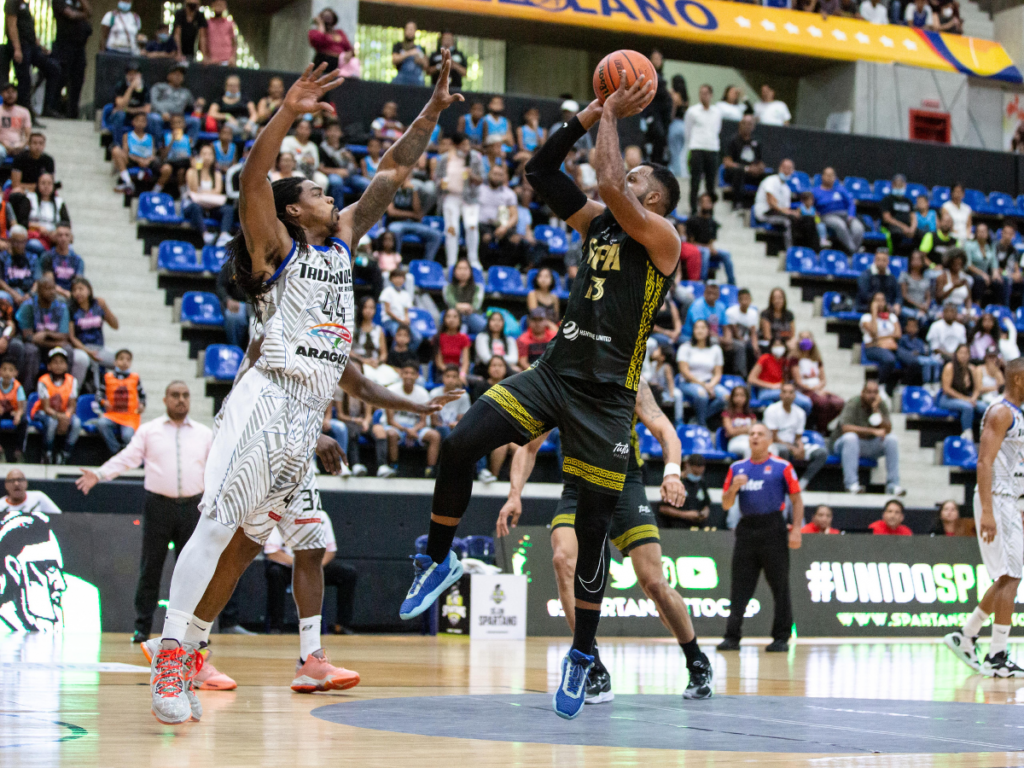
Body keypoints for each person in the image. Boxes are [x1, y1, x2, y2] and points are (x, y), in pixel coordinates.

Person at [134, 58, 464, 725]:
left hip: (305, 418)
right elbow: (253, 179)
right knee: (218, 525)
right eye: (316, 191)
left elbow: (392, 172)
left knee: (248, 544)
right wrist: (287, 111)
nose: (330, 196)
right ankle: (169, 658)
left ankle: (191, 653)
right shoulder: (275, 246)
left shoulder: (340, 245)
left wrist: (431, 114)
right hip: (264, 401)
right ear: (292, 209)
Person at [404, 74, 683, 721]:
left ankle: (583, 655)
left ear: (659, 201)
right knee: (461, 441)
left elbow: (612, 184)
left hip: (608, 399)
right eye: (630, 175)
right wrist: (591, 113)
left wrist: (613, 116)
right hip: (556, 372)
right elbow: (539, 168)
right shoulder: (597, 225)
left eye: (640, 180)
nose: (626, 180)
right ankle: (440, 558)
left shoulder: (662, 241)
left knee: (588, 542)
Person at [497, 377, 711, 700]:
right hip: (579, 486)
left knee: (653, 582)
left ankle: (696, 660)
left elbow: (667, 432)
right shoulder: (563, 379)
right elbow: (528, 446)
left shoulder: (632, 382)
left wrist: (672, 473)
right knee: (562, 559)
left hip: (625, 484)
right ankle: (592, 666)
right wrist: (514, 495)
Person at [944, 359, 1024, 674]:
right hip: (996, 500)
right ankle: (996, 654)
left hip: (1011, 501)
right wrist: (988, 511)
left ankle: (966, 637)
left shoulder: (1017, 415)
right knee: (1011, 575)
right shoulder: (1000, 412)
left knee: (1009, 575)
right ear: (1018, 379)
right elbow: (984, 463)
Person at [718, 423, 802, 652]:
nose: (755, 437)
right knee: (739, 586)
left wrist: (796, 530)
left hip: (773, 527)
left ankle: (781, 637)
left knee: (780, 585)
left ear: (768, 440)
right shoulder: (737, 468)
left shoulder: (781, 466)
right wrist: (733, 489)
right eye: (752, 434)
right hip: (747, 529)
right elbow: (726, 504)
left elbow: (796, 499)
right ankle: (732, 636)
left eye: (760, 434)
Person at [264, 513, 357, 635]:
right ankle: (276, 627)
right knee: (275, 573)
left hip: (315, 566)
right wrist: (300, 563)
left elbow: (330, 551)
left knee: (347, 573)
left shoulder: (321, 517)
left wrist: (317, 565)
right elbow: (272, 552)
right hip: (289, 566)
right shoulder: (280, 516)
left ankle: (342, 626)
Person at [830, 380, 904, 495]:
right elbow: (845, 428)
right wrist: (873, 431)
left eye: (875, 392)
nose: (872, 396)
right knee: (851, 437)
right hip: (843, 445)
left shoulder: (880, 404)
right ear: (862, 393)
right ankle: (851, 485)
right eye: (869, 392)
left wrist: (876, 410)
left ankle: (893, 485)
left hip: (867, 445)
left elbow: (887, 430)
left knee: (892, 440)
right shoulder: (853, 402)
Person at [763, 382, 827, 490]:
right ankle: (785, 483)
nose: (787, 395)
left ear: (795, 395)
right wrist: (792, 448)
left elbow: (798, 437)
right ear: (780, 395)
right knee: (784, 450)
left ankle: (802, 483)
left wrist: (800, 447)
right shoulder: (771, 410)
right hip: (774, 444)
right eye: (784, 392)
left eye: (791, 392)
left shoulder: (800, 413)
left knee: (821, 453)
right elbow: (773, 437)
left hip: (792, 444)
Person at [2, 0, 61, 118]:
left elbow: (28, 28)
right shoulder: (12, 3)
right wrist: (17, 48)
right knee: (25, 80)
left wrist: (40, 46)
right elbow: (12, 26)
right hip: (20, 45)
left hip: (31, 46)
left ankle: (48, 107)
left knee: (53, 68)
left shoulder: (25, 4)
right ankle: (25, 112)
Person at [436, 132, 483, 269]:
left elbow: (481, 179)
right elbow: (437, 178)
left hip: (470, 198)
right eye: (463, 145)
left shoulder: (475, 158)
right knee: (452, 229)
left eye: (468, 144)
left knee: (471, 226)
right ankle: (452, 262)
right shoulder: (445, 158)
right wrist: (441, 183)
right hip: (451, 196)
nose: (466, 147)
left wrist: (472, 175)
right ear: (456, 145)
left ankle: (473, 259)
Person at [861, 290, 919, 395]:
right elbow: (873, 332)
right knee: (889, 359)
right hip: (873, 348)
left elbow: (898, 334)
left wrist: (881, 339)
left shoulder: (891, 317)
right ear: (872, 302)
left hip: (891, 347)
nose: (880, 303)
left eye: (882, 300)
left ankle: (902, 386)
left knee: (913, 361)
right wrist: (874, 312)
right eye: (877, 300)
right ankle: (881, 386)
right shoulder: (866, 318)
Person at [31, 348, 79, 464]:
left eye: (61, 362)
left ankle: (65, 453)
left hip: (63, 413)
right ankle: (47, 452)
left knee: (77, 423)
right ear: (49, 366)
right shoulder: (43, 380)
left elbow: (72, 405)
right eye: (55, 362)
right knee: (52, 423)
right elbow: (46, 408)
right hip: (43, 412)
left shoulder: (72, 381)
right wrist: (60, 417)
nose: (58, 365)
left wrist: (66, 416)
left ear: (66, 366)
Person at [676, 319, 727, 427]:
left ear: (708, 330)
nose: (700, 331)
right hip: (689, 382)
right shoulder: (685, 347)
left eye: (703, 328)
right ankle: (702, 425)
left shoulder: (715, 349)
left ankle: (697, 419)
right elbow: (684, 371)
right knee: (702, 395)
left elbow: (718, 373)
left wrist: (710, 385)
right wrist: (703, 385)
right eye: (697, 328)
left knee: (726, 397)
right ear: (693, 331)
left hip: (709, 382)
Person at [791, 331, 844, 434]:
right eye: (802, 338)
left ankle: (822, 425)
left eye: (808, 338)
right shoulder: (795, 359)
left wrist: (819, 388)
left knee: (839, 403)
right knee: (822, 402)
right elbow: (798, 381)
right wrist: (814, 390)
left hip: (818, 389)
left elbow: (823, 379)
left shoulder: (817, 358)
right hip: (804, 390)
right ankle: (820, 429)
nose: (805, 340)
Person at [95, 348, 144, 454]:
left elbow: (142, 396)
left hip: (129, 416)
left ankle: (128, 457)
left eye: (128, 360)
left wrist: (142, 405)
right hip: (112, 414)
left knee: (127, 436)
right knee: (102, 423)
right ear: (115, 362)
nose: (124, 362)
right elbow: (98, 395)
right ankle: (116, 451)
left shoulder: (135, 378)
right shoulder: (108, 377)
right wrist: (104, 402)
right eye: (121, 359)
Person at [683, 84, 721, 214]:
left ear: (711, 95)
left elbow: (717, 129)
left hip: (712, 148)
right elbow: (687, 130)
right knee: (695, 181)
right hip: (697, 147)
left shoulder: (717, 112)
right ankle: (693, 209)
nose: (702, 96)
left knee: (711, 183)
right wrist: (692, 145)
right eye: (701, 93)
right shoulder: (692, 111)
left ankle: (710, 211)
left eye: (705, 93)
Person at [938, 343, 985, 440]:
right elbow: (946, 389)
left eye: (966, 353)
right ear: (956, 354)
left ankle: (985, 433)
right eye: (961, 353)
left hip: (967, 398)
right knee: (968, 407)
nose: (964, 356)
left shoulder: (972, 369)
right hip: (948, 398)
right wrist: (966, 399)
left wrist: (973, 398)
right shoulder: (949, 367)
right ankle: (967, 434)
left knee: (985, 407)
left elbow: (977, 389)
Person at [813, 168, 864, 254]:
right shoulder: (815, 191)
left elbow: (851, 203)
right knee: (840, 225)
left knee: (858, 228)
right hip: (827, 215)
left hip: (845, 215)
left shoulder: (840, 189)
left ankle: (852, 249)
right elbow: (808, 205)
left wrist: (851, 216)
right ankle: (854, 251)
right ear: (822, 177)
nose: (829, 177)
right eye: (827, 175)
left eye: (832, 175)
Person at [687, 192, 734, 284]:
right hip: (695, 249)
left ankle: (732, 282)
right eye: (704, 202)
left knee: (726, 254)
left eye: (709, 202)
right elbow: (690, 243)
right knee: (706, 252)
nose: (707, 204)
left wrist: (711, 248)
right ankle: (702, 281)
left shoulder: (713, 223)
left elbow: (711, 241)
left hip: (707, 248)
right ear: (699, 204)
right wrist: (707, 247)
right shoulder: (692, 220)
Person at [722, 114, 764, 210]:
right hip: (735, 172)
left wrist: (759, 168)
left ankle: (761, 206)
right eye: (744, 123)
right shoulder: (732, 141)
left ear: (753, 127)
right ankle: (737, 203)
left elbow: (760, 161)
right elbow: (727, 162)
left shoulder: (756, 142)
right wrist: (746, 168)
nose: (747, 126)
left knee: (768, 175)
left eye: (750, 124)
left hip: (751, 173)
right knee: (739, 172)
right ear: (740, 125)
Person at [753, 159, 797, 251]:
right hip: (764, 213)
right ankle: (790, 250)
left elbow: (785, 208)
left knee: (797, 220)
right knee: (787, 222)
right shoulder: (771, 181)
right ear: (780, 168)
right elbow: (771, 203)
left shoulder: (787, 189)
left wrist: (792, 212)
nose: (786, 171)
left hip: (777, 213)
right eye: (784, 168)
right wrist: (788, 212)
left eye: (789, 169)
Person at [658, 454, 710, 528]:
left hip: (698, 528)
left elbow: (706, 505)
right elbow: (663, 508)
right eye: (695, 473)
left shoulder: (701, 483)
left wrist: (703, 513)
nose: (697, 476)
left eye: (699, 474)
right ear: (687, 465)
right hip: (676, 527)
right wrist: (685, 515)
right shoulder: (675, 482)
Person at [965, 222, 1004, 306]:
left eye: (984, 231)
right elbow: (968, 265)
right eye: (980, 231)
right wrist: (983, 274)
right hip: (972, 273)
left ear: (988, 233)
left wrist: (995, 273)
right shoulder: (969, 245)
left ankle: (1000, 307)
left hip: (986, 274)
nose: (982, 233)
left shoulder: (990, 246)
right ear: (976, 233)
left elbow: (994, 262)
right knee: (979, 280)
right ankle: (977, 306)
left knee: (1000, 280)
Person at [879, 175, 918, 256]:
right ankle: (895, 256)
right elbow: (887, 218)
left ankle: (912, 257)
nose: (899, 187)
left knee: (921, 234)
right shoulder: (887, 200)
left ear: (905, 185)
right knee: (897, 233)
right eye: (897, 185)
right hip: (892, 226)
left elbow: (913, 217)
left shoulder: (908, 201)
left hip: (908, 227)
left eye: (901, 185)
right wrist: (903, 227)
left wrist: (912, 228)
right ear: (893, 185)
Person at [726, 288, 759, 378]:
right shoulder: (731, 312)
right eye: (742, 299)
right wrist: (742, 341)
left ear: (750, 300)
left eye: (747, 299)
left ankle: (752, 375)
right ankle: (741, 375)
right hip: (734, 339)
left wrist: (755, 346)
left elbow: (753, 332)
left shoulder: (753, 313)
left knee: (753, 348)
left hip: (746, 339)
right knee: (741, 346)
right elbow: (734, 332)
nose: (745, 302)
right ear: (738, 300)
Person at [307, 7, 350, 72]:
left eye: (330, 18)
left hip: (338, 64)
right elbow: (319, 40)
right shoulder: (314, 32)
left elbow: (349, 48)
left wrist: (349, 54)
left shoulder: (339, 33)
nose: (328, 22)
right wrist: (320, 25)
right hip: (322, 61)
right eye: (325, 18)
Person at [934, 247, 972, 318]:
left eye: (960, 264)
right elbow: (938, 298)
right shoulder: (942, 277)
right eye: (955, 264)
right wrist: (953, 287)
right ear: (950, 263)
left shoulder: (964, 278)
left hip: (960, 309)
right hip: (945, 308)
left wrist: (968, 311)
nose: (957, 266)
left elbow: (968, 299)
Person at [0, 360, 26, 460]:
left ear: (15, 373)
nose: (7, 373)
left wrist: (18, 415)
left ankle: (18, 451)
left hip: (12, 413)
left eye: (11, 370)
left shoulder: (18, 387)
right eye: (4, 369)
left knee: (24, 421)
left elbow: (21, 408)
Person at [722, 384, 755, 459]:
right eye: (736, 395)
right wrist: (747, 429)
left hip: (749, 440)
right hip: (735, 442)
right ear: (732, 398)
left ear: (746, 398)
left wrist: (738, 430)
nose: (739, 398)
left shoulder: (751, 415)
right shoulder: (727, 414)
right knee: (749, 448)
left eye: (742, 395)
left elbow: (753, 431)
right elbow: (731, 432)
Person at [899, 250, 932, 323]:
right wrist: (918, 306)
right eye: (914, 259)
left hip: (922, 308)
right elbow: (904, 295)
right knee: (913, 316)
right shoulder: (905, 276)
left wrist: (925, 306)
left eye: (919, 259)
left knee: (929, 316)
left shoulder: (926, 278)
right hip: (908, 307)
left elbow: (928, 296)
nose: (916, 261)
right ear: (910, 261)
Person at [391, 21, 427, 86]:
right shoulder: (398, 46)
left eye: (412, 29)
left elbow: (426, 65)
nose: (410, 31)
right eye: (408, 29)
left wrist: (420, 60)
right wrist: (409, 53)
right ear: (404, 30)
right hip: (401, 81)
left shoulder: (420, 48)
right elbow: (394, 60)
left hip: (416, 83)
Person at [204, 0, 235, 66]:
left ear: (225, 7)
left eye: (221, 5)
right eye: (217, 4)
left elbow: (234, 43)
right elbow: (203, 41)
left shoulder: (229, 23)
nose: (219, 7)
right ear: (212, 6)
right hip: (211, 61)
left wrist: (233, 57)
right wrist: (206, 57)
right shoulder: (207, 23)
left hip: (227, 61)